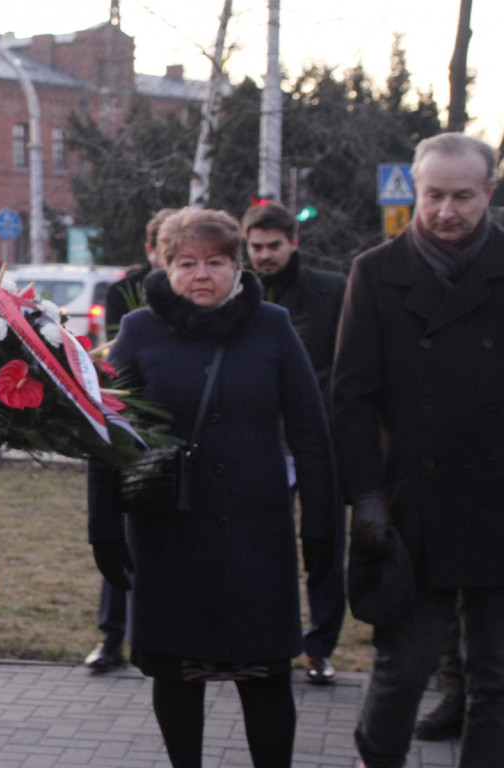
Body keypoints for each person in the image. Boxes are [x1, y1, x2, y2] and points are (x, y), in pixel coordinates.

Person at [88, 207, 338, 768]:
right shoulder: (139, 329)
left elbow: (310, 431)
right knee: (178, 673)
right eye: (186, 263)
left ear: (238, 265)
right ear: (167, 266)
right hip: (170, 534)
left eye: (216, 262)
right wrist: (102, 527)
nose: (201, 274)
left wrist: (321, 525)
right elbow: (106, 429)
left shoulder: (271, 325)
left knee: (266, 676)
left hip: (257, 536)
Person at [332, 132, 504, 768]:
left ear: (489, 191)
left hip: (498, 498)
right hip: (413, 505)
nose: (446, 211)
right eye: (433, 195)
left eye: (463, 196)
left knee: (497, 678)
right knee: (402, 671)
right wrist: (367, 496)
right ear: (415, 189)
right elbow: (352, 398)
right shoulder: (377, 273)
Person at [242, 201, 347, 686]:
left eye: (273, 246)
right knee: (265, 545)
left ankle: (321, 645)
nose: (264, 256)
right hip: (261, 440)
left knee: (324, 542)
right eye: (256, 247)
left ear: (293, 242)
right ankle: (265, 639)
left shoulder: (331, 291)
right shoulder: (241, 295)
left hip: (322, 438)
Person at [85, 207, 176, 674]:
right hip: (135, 425)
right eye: (169, 248)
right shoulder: (126, 290)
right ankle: (111, 636)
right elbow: (117, 350)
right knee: (122, 534)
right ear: (153, 249)